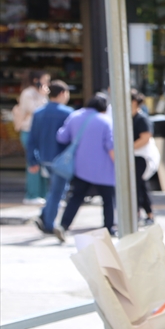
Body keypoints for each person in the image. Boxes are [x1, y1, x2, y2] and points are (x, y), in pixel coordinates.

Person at [57, 94, 118, 238]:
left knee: (76, 197)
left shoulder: (75, 116)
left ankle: (64, 225)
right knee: (108, 200)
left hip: (81, 167)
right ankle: (109, 228)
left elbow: (61, 137)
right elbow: (111, 147)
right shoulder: (105, 121)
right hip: (104, 170)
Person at [27, 80, 72, 238]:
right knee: (57, 191)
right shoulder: (68, 113)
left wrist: (32, 160)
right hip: (61, 158)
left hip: (45, 157)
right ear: (62, 93)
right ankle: (48, 224)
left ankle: (44, 216)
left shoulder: (38, 113)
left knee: (55, 190)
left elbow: (32, 139)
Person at [14, 70, 50, 204]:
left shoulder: (41, 94)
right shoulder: (28, 93)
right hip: (29, 131)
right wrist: (43, 96)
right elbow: (37, 112)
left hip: (41, 132)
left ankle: (43, 194)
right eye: (45, 80)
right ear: (37, 80)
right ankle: (32, 195)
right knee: (33, 163)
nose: (47, 84)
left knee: (42, 163)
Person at [130, 93, 154, 225]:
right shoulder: (127, 118)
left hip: (141, 157)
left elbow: (145, 138)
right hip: (132, 156)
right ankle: (144, 214)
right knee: (138, 186)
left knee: (139, 186)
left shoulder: (141, 118)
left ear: (134, 102)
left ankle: (145, 214)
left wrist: (128, 148)